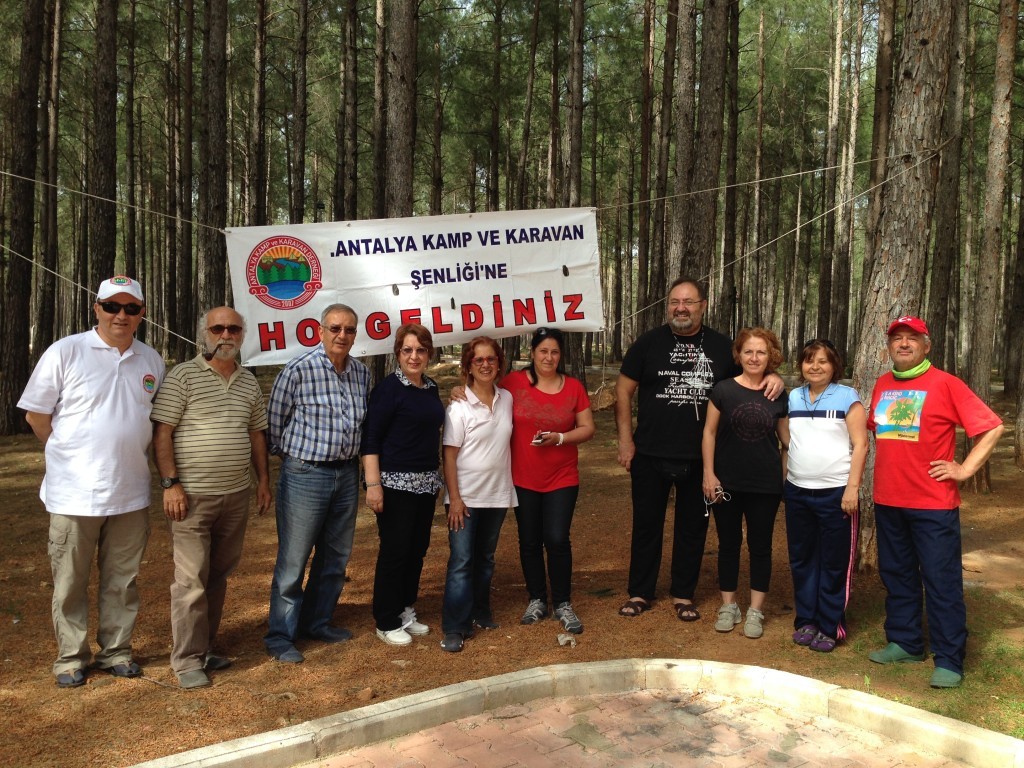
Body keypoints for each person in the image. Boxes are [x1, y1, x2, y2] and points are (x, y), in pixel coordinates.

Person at [18, 276, 165, 688]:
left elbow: (154, 420)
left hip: (130, 493)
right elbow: (36, 415)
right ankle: (71, 658)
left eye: (131, 308)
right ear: (97, 308)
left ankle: (116, 651)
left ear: (142, 314)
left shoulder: (151, 360)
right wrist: (67, 452)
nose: (121, 315)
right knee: (70, 582)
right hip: (73, 494)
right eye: (112, 306)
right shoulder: (65, 351)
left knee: (123, 581)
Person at [616, 278, 783, 621]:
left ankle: (683, 593)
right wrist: (625, 440)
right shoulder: (647, 343)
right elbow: (623, 391)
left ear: (702, 306)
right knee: (646, 524)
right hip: (649, 451)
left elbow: (751, 376)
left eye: (689, 302)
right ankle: (640, 591)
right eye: (675, 301)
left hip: (701, 457)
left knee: (692, 528)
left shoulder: (722, 347)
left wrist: (775, 377)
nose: (681, 308)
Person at [866, 316, 1003, 689]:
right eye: (897, 338)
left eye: (912, 338)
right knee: (898, 575)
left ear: (927, 346)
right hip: (888, 499)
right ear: (889, 347)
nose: (904, 344)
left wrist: (965, 469)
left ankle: (949, 658)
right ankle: (906, 642)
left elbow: (992, 427)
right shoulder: (882, 384)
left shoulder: (946, 383)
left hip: (933, 504)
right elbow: (877, 432)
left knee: (941, 581)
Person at [151, 307, 272, 688]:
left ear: (242, 334)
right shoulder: (183, 376)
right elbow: (163, 432)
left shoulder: (248, 381)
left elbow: (256, 434)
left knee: (217, 576)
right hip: (191, 497)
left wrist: (263, 481)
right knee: (191, 581)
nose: (225, 335)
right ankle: (186, 661)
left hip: (235, 495)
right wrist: (170, 484)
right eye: (218, 328)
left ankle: (204, 649)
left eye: (233, 329)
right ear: (204, 332)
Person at [264, 303, 370, 663]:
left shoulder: (361, 373)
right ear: (320, 331)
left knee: (335, 557)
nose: (342, 335)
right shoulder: (298, 369)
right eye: (335, 328)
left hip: (347, 474)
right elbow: (275, 423)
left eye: (349, 329)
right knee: (293, 560)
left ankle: (317, 622)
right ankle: (281, 636)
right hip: (306, 475)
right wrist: (296, 460)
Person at [502, 327, 595, 634]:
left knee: (556, 538)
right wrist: (460, 391)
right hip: (523, 476)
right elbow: (485, 395)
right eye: (543, 351)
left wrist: (560, 438)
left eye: (554, 352)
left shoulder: (573, 387)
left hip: (562, 476)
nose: (548, 357)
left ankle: (563, 602)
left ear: (561, 355)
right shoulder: (514, 383)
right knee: (529, 540)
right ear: (532, 353)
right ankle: (537, 599)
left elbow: (587, 428)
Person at [702, 327, 789, 639]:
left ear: (770, 356)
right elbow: (709, 433)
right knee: (728, 544)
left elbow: (786, 441)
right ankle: (729, 606)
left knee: (760, 546)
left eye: (761, 352)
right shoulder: (723, 390)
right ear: (738, 355)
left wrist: (785, 479)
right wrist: (709, 474)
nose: (754, 357)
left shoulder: (778, 393)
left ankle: (755, 609)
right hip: (726, 481)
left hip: (765, 484)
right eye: (748, 351)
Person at [362, 324, 446, 646]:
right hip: (394, 484)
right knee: (395, 551)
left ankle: (404, 609)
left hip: (425, 484)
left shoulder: (431, 387)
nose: (414, 356)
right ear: (398, 353)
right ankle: (386, 620)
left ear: (429, 354)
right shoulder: (388, 390)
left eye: (420, 350)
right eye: (407, 350)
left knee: (416, 551)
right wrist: (373, 484)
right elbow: (371, 439)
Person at [784, 339, 867, 653]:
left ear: (834, 366)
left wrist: (852, 488)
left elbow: (861, 444)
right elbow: (790, 441)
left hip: (835, 493)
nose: (815, 367)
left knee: (834, 562)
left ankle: (830, 625)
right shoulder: (794, 396)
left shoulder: (847, 397)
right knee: (802, 559)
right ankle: (806, 621)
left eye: (823, 361)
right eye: (809, 360)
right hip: (797, 491)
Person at [439, 336, 516, 653]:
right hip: (465, 498)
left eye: (491, 359)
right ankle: (455, 627)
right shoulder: (458, 406)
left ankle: (480, 612)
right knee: (461, 561)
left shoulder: (507, 398)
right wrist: (455, 498)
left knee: (485, 558)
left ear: (499, 363)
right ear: (468, 366)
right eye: (478, 360)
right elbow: (449, 456)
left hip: (497, 494)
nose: (485, 364)